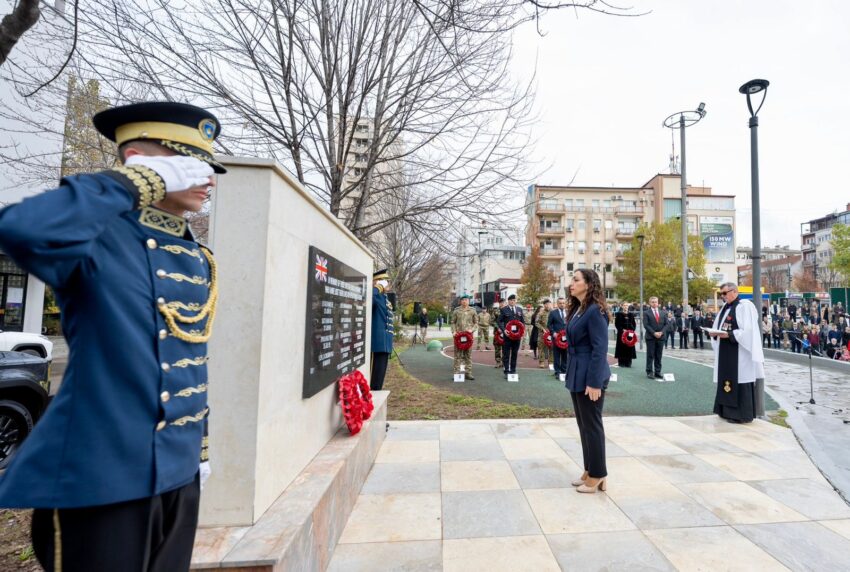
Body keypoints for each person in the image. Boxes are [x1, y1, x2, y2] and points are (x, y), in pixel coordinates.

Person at [0, 102, 224, 571]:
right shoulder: (97, 237)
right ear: (140, 160)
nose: (208, 178)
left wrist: (193, 450)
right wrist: (134, 184)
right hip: (102, 476)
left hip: (176, 473)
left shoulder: (195, 253)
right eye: (190, 163)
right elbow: (24, 228)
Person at [564, 269, 611, 493]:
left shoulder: (595, 311)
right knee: (583, 425)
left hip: (590, 375)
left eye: (575, 280)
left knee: (592, 425)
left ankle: (599, 474)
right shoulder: (579, 309)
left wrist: (594, 382)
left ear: (588, 284)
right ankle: (589, 469)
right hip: (577, 372)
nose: (571, 284)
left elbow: (599, 349)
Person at [708, 283, 765, 424]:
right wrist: (715, 333)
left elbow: (749, 331)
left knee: (738, 380)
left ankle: (740, 414)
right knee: (726, 379)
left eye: (725, 293)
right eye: (721, 294)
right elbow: (719, 326)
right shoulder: (725, 308)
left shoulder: (744, 306)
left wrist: (729, 335)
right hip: (726, 351)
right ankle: (725, 411)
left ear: (734, 291)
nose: (723, 297)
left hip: (739, 353)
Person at [371, 269, 395, 390]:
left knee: (380, 377)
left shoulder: (384, 298)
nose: (387, 284)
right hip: (377, 342)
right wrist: (377, 287)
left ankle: (376, 390)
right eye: (384, 281)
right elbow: (368, 299)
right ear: (376, 282)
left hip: (384, 343)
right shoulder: (375, 295)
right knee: (374, 378)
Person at [451, 295, 478, 379]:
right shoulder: (456, 311)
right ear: (460, 301)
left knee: (468, 355)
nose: (464, 301)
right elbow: (453, 322)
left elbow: (476, 323)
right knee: (457, 355)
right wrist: (454, 331)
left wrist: (472, 330)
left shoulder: (473, 311)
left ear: (468, 301)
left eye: (466, 300)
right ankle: (456, 373)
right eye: (462, 300)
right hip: (458, 336)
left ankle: (468, 373)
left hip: (468, 336)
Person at [499, 294, 524, 376]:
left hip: (517, 336)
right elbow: (499, 321)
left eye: (514, 300)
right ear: (508, 301)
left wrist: (522, 332)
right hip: (508, 335)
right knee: (506, 353)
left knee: (514, 353)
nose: (513, 302)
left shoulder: (519, 309)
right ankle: (506, 370)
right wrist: (504, 330)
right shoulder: (504, 310)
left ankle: (513, 370)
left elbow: (522, 322)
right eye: (511, 300)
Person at [643, 297, 666, 380]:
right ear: (650, 303)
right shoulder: (646, 313)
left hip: (661, 337)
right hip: (650, 337)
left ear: (658, 302)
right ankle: (649, 372)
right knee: (650, 355)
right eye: (652, 302)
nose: (654, 303)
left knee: (658, 355)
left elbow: (666, 324)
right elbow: (646, 325)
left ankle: (657, 372)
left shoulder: (663, 312)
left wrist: (661, 332)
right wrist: (654, 333)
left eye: (656, 302)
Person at [548, 297, 569, 377]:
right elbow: (549, 325)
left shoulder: (568, 312)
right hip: (556, 337)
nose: (562, 304)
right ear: (557, 304)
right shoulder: (553, 313)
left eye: (563, 303)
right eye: (560, 303)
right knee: (557, 355)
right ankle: (557, 371)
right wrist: (553, 333)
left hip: (566, 338)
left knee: (565, 354)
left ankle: (564, 370)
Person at [613, 301, 636, 367]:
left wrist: (631, 331)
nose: (626, 307)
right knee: (621, 347)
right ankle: (621, 362)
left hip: (630, 334)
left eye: (627, 305)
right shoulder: (619, 314)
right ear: (622, 306)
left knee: (629, 347)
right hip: (622, 334)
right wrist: (622, 330)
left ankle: (628, 362)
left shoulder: (631, 315)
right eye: (625, 305)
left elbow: (634, 324)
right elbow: (617, 324)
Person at [536, 300, 552, 368]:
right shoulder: (540, 313)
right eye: (546, 304)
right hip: (542, 333)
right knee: (541, 347)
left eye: (548, 304)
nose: (547, 305)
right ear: (544, 305)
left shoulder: (553, 312)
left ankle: (551, 362)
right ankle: (541, 362)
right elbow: (536, 322)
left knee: (551, 347)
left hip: (551, 333)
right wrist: (542, 329)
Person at [492, 300, 507, 368]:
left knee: (505, 347)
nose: (502, 304)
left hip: (506, 332)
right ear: (499, 304)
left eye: (503, 303)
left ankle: (504, 362)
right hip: (497, 332)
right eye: (501, 303)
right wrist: (498, 327)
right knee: (497, 347)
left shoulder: (508, 311)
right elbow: (492, 321)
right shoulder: (496, 311)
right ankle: (498, 362)